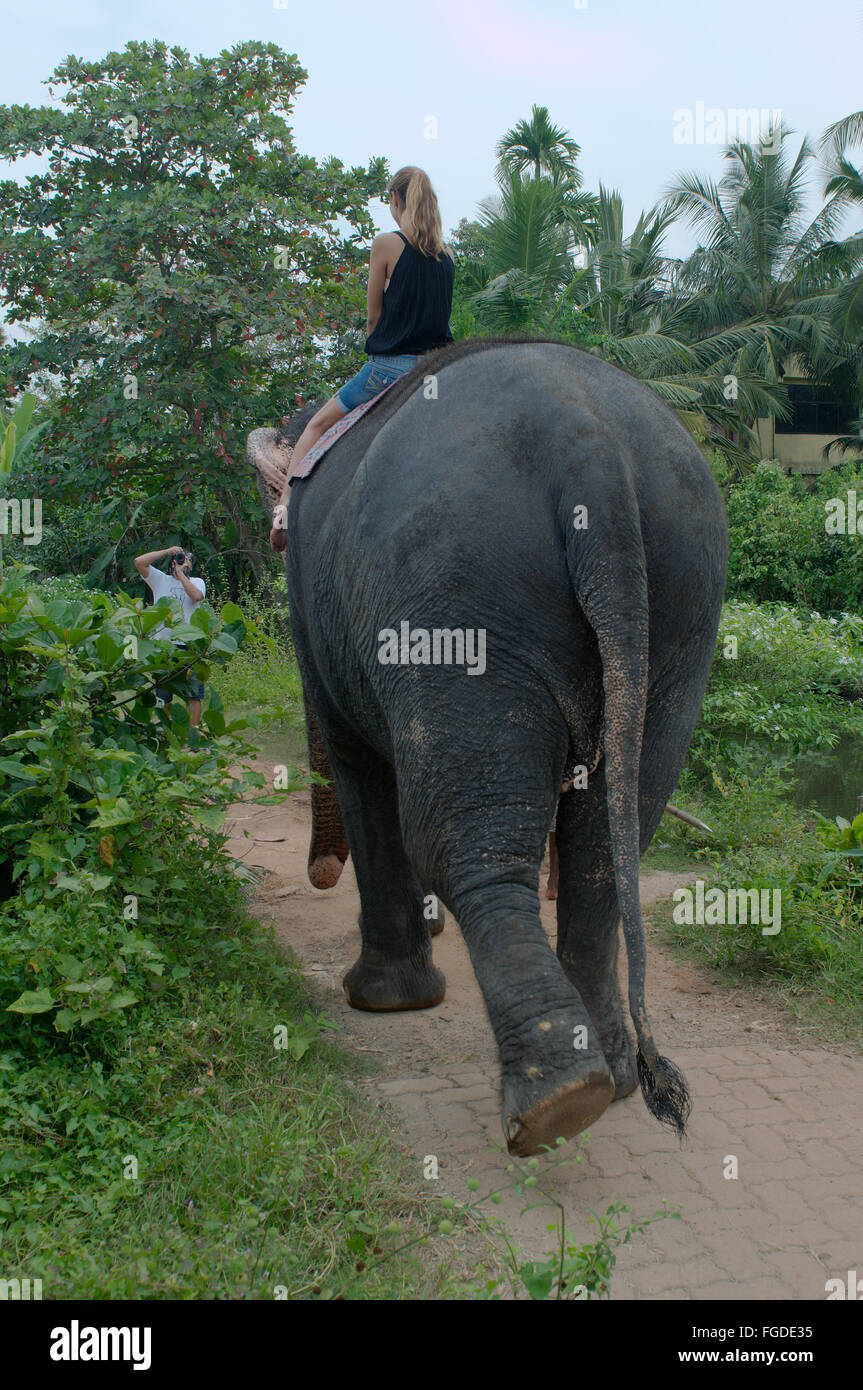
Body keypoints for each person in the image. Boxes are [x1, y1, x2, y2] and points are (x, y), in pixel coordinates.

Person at [268, 166, 455, 551]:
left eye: (390, 200)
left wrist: (378, 342)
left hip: (389, 370)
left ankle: (284, 508)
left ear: (398, 200)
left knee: (317, 426)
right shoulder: (446, 257)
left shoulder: (387, 244)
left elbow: (373, 316)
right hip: (437, 373)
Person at [133, 545, 207, 726]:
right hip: (164, 646)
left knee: (193, 695)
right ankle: (164, 731)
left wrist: (181, 574)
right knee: (163, 695)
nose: (181, 562)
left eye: (185, 559)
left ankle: (193, 736)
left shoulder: (197, 582)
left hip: (189, 646)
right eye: (179, 559)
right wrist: (167, 552)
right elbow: (139, 562)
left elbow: (196, 596)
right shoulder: (160, 580)